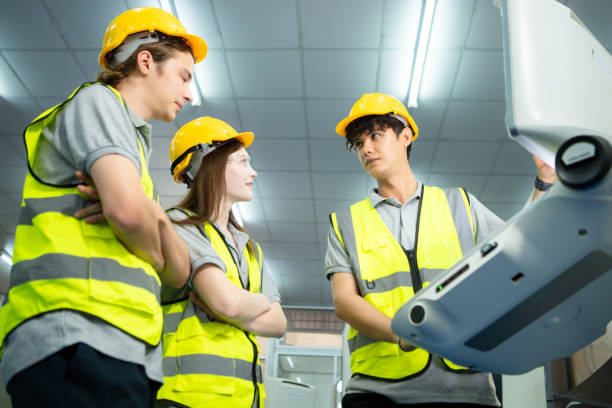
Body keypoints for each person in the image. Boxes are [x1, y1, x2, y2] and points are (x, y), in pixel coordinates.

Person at [0, 7, 207, 407]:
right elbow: (129, 215)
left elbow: (180, 273)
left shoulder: (135, 156)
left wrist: (156, 217)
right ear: (146, 61)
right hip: (73, 336)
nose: (188, 93)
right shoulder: (98, 103)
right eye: (184, 76)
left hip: (120, 347)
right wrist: (146, 224)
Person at [325, 93, 556, 408]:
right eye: (358, 143)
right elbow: (344, 302)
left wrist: (546, 182)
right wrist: (400, 333)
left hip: (466, 388)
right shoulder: (345, 224)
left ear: (405, 135)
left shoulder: (459, 204)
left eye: (375, 135)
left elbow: (518, 250)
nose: (366, 148)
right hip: (378, 392)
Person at [156, 117, 287, 408]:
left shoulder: (251, 248)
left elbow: (278, 324)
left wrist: (230, 304)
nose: (252, 171)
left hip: (245, 400)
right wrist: (256, 303)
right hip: (189, 398)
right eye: (242, 161)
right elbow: (227, 303)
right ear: (208, 162)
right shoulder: (179, 226)